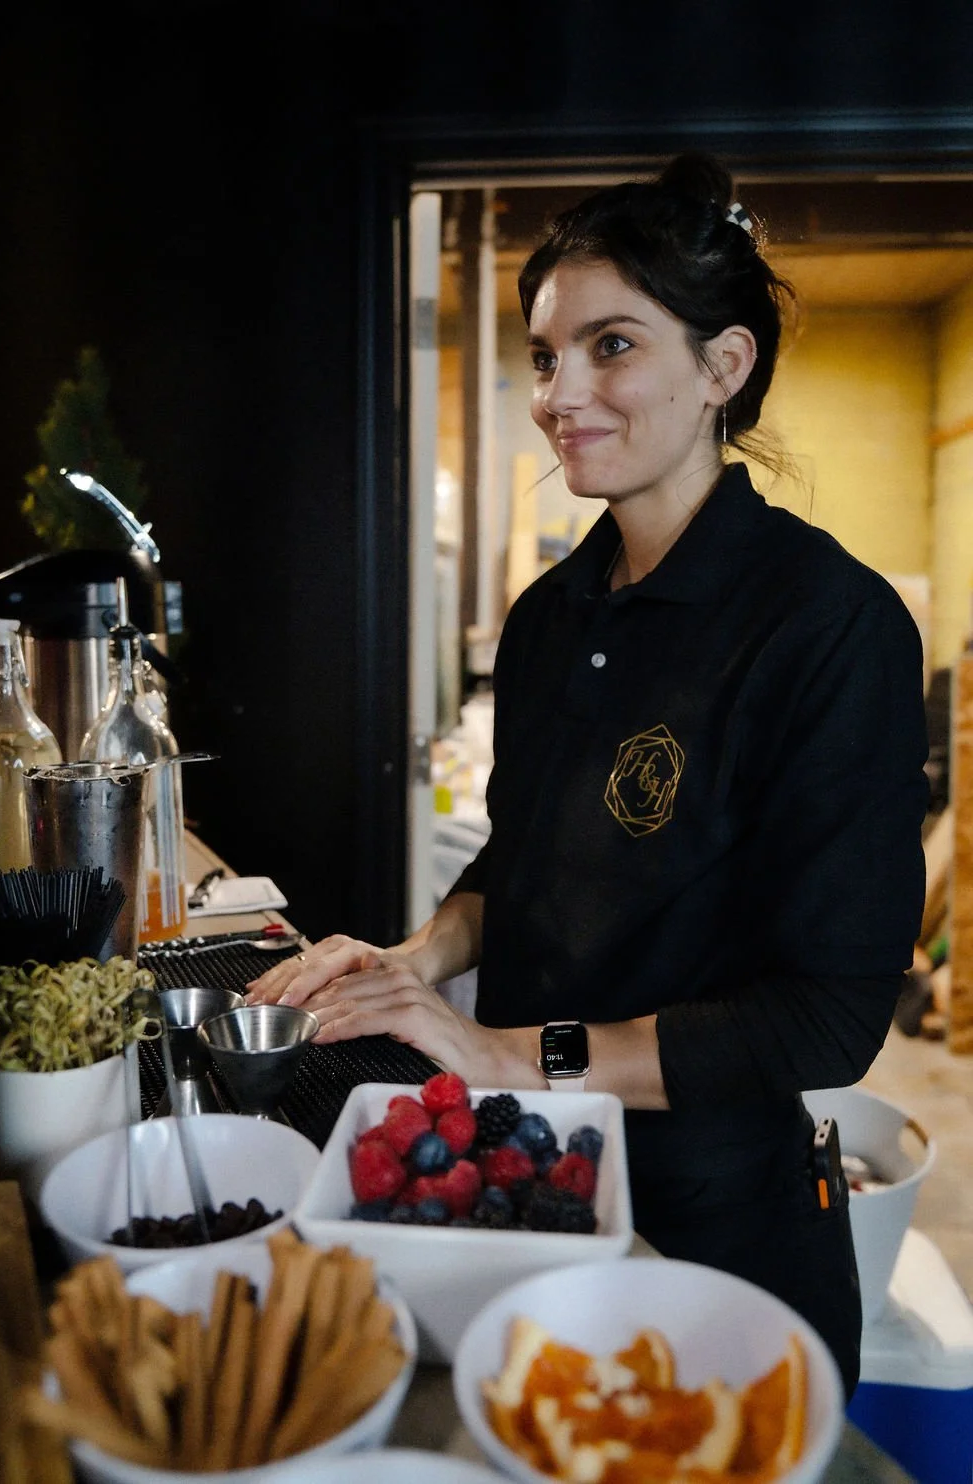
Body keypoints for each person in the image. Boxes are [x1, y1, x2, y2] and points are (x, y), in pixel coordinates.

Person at [247, 152, 928, 1397]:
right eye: (547, 355)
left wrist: (510, 1056)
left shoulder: (829, 623)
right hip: (532, 1184)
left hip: (714, 1229)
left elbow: (825, 1017)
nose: (560, 393)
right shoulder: (550, 614)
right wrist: (412, 963)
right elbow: (525, 866)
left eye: (611, 346)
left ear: (724, 367)